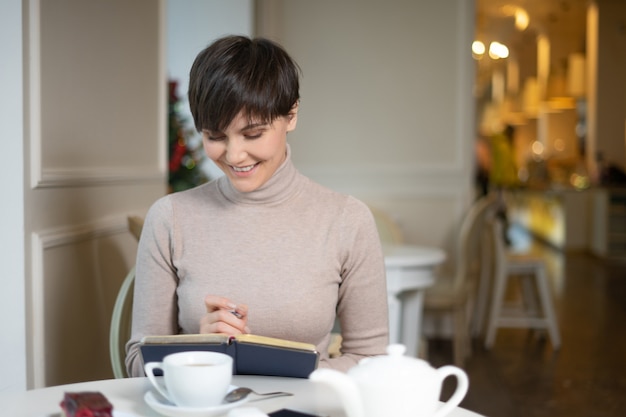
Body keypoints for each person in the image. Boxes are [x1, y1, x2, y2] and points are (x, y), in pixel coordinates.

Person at [125, 35, 389, 377]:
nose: (234, 155)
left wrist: (303, 383)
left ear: (291, 114)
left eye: (253, 134)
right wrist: (198, 349)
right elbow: (136, 363)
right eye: (215, 136)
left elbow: (371, 360)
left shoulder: (347, 220)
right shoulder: (169, 218)